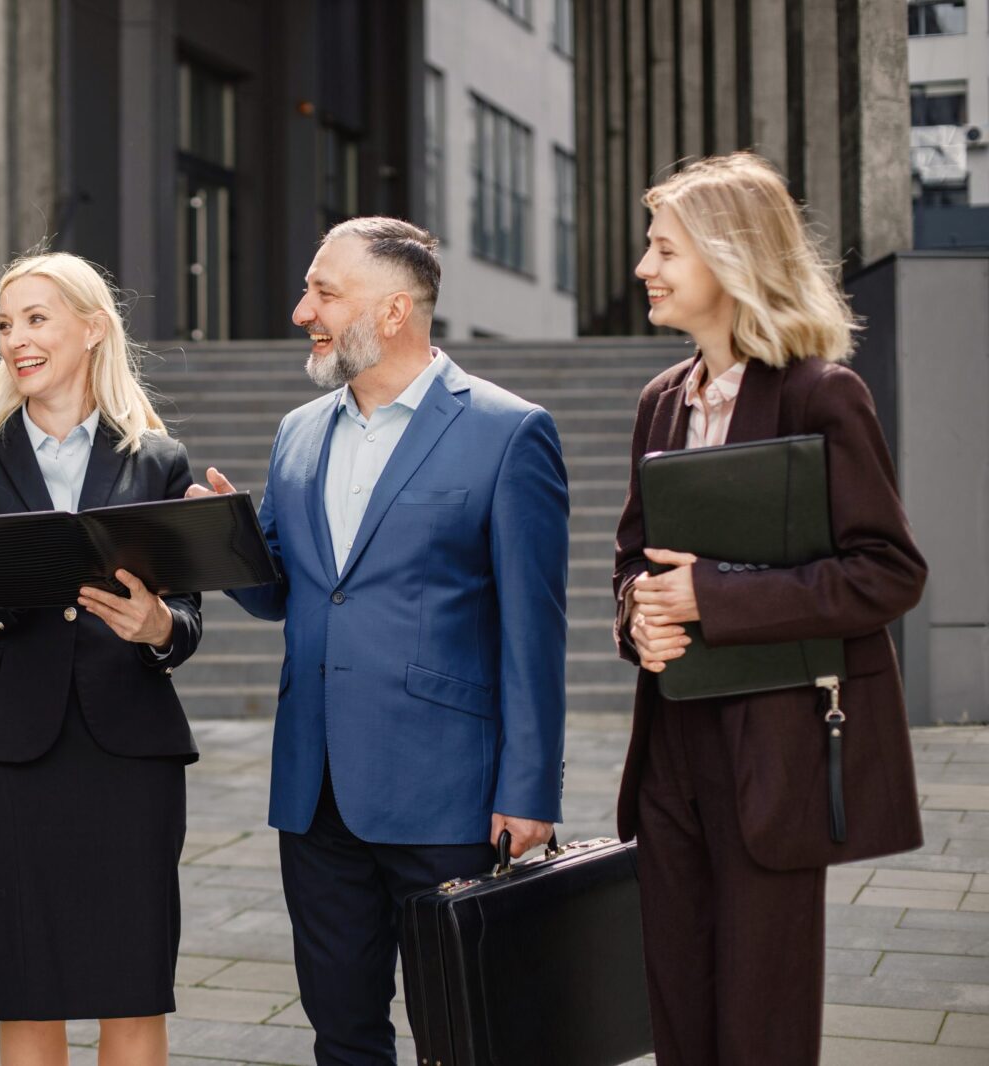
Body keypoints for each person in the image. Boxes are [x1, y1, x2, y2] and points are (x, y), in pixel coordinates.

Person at [188, 217, 569, 1065]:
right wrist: (229, 541)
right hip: (315, 795)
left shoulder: (509, 432)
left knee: (469, 1032)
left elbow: (534, 633)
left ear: (393, 310)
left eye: (324, 293)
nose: (301, 312)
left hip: (449, 797)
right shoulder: (298, 432)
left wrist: (531, 788)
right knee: (342, 1032)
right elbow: (287, 594)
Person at [615, 152, 928, 1065]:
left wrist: (712, 597)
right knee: (677, 1012)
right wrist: (640, 609)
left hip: (777, 756)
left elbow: (889, 572)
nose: (645, 267)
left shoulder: (821, 395)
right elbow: (634, 560)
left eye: (665, 248)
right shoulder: (659, 403)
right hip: (672, 756)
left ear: (730, 256)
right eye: (648, 247)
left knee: (761, 1025)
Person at [0, 252, 201, 1066]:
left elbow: (186, 621)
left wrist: (156, 627)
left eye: (37, 319)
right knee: (28, 992)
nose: (16, 340)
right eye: (6, 324)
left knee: (133, 990)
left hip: (131, 757)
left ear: (91, 327)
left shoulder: (157, 459)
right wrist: (10, 584)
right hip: (7, 756)